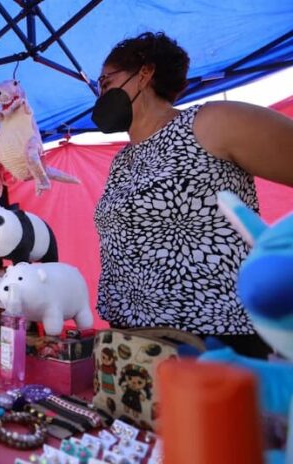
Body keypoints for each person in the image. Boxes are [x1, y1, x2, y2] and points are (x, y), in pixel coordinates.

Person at [92, 32, 293, 359]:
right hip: (131, 343)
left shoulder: (210, 123)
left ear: (144, 74)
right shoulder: (122, 161)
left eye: (105, 81)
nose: (100, 94)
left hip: (213, 342)